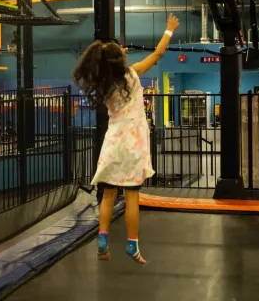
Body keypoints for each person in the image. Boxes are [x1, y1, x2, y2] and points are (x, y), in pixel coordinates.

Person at [73, 13, 180, 264]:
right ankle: (132, 244)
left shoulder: (103, 83)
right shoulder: (133, 74)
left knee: (108, 194)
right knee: (132, 196)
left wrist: (115, 53)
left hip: (113, 142)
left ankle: (102, 238)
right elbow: (158, 55)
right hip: (133, 144)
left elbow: (112, 61)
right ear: (119, 60)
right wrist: (169, 30)